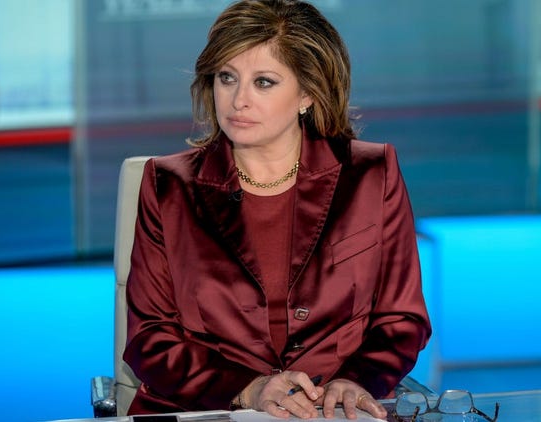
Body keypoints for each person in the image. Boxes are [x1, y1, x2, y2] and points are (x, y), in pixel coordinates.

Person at [123, 0, 431, 419]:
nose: (238, 100)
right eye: (227, 78)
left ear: (307, 92)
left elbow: (401, 318)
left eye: (263, 82)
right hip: (208, 411)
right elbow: (150, 337)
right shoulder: (169, 185)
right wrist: (248, 390)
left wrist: (357, 380)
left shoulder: (370, 173)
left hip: (331, 413)